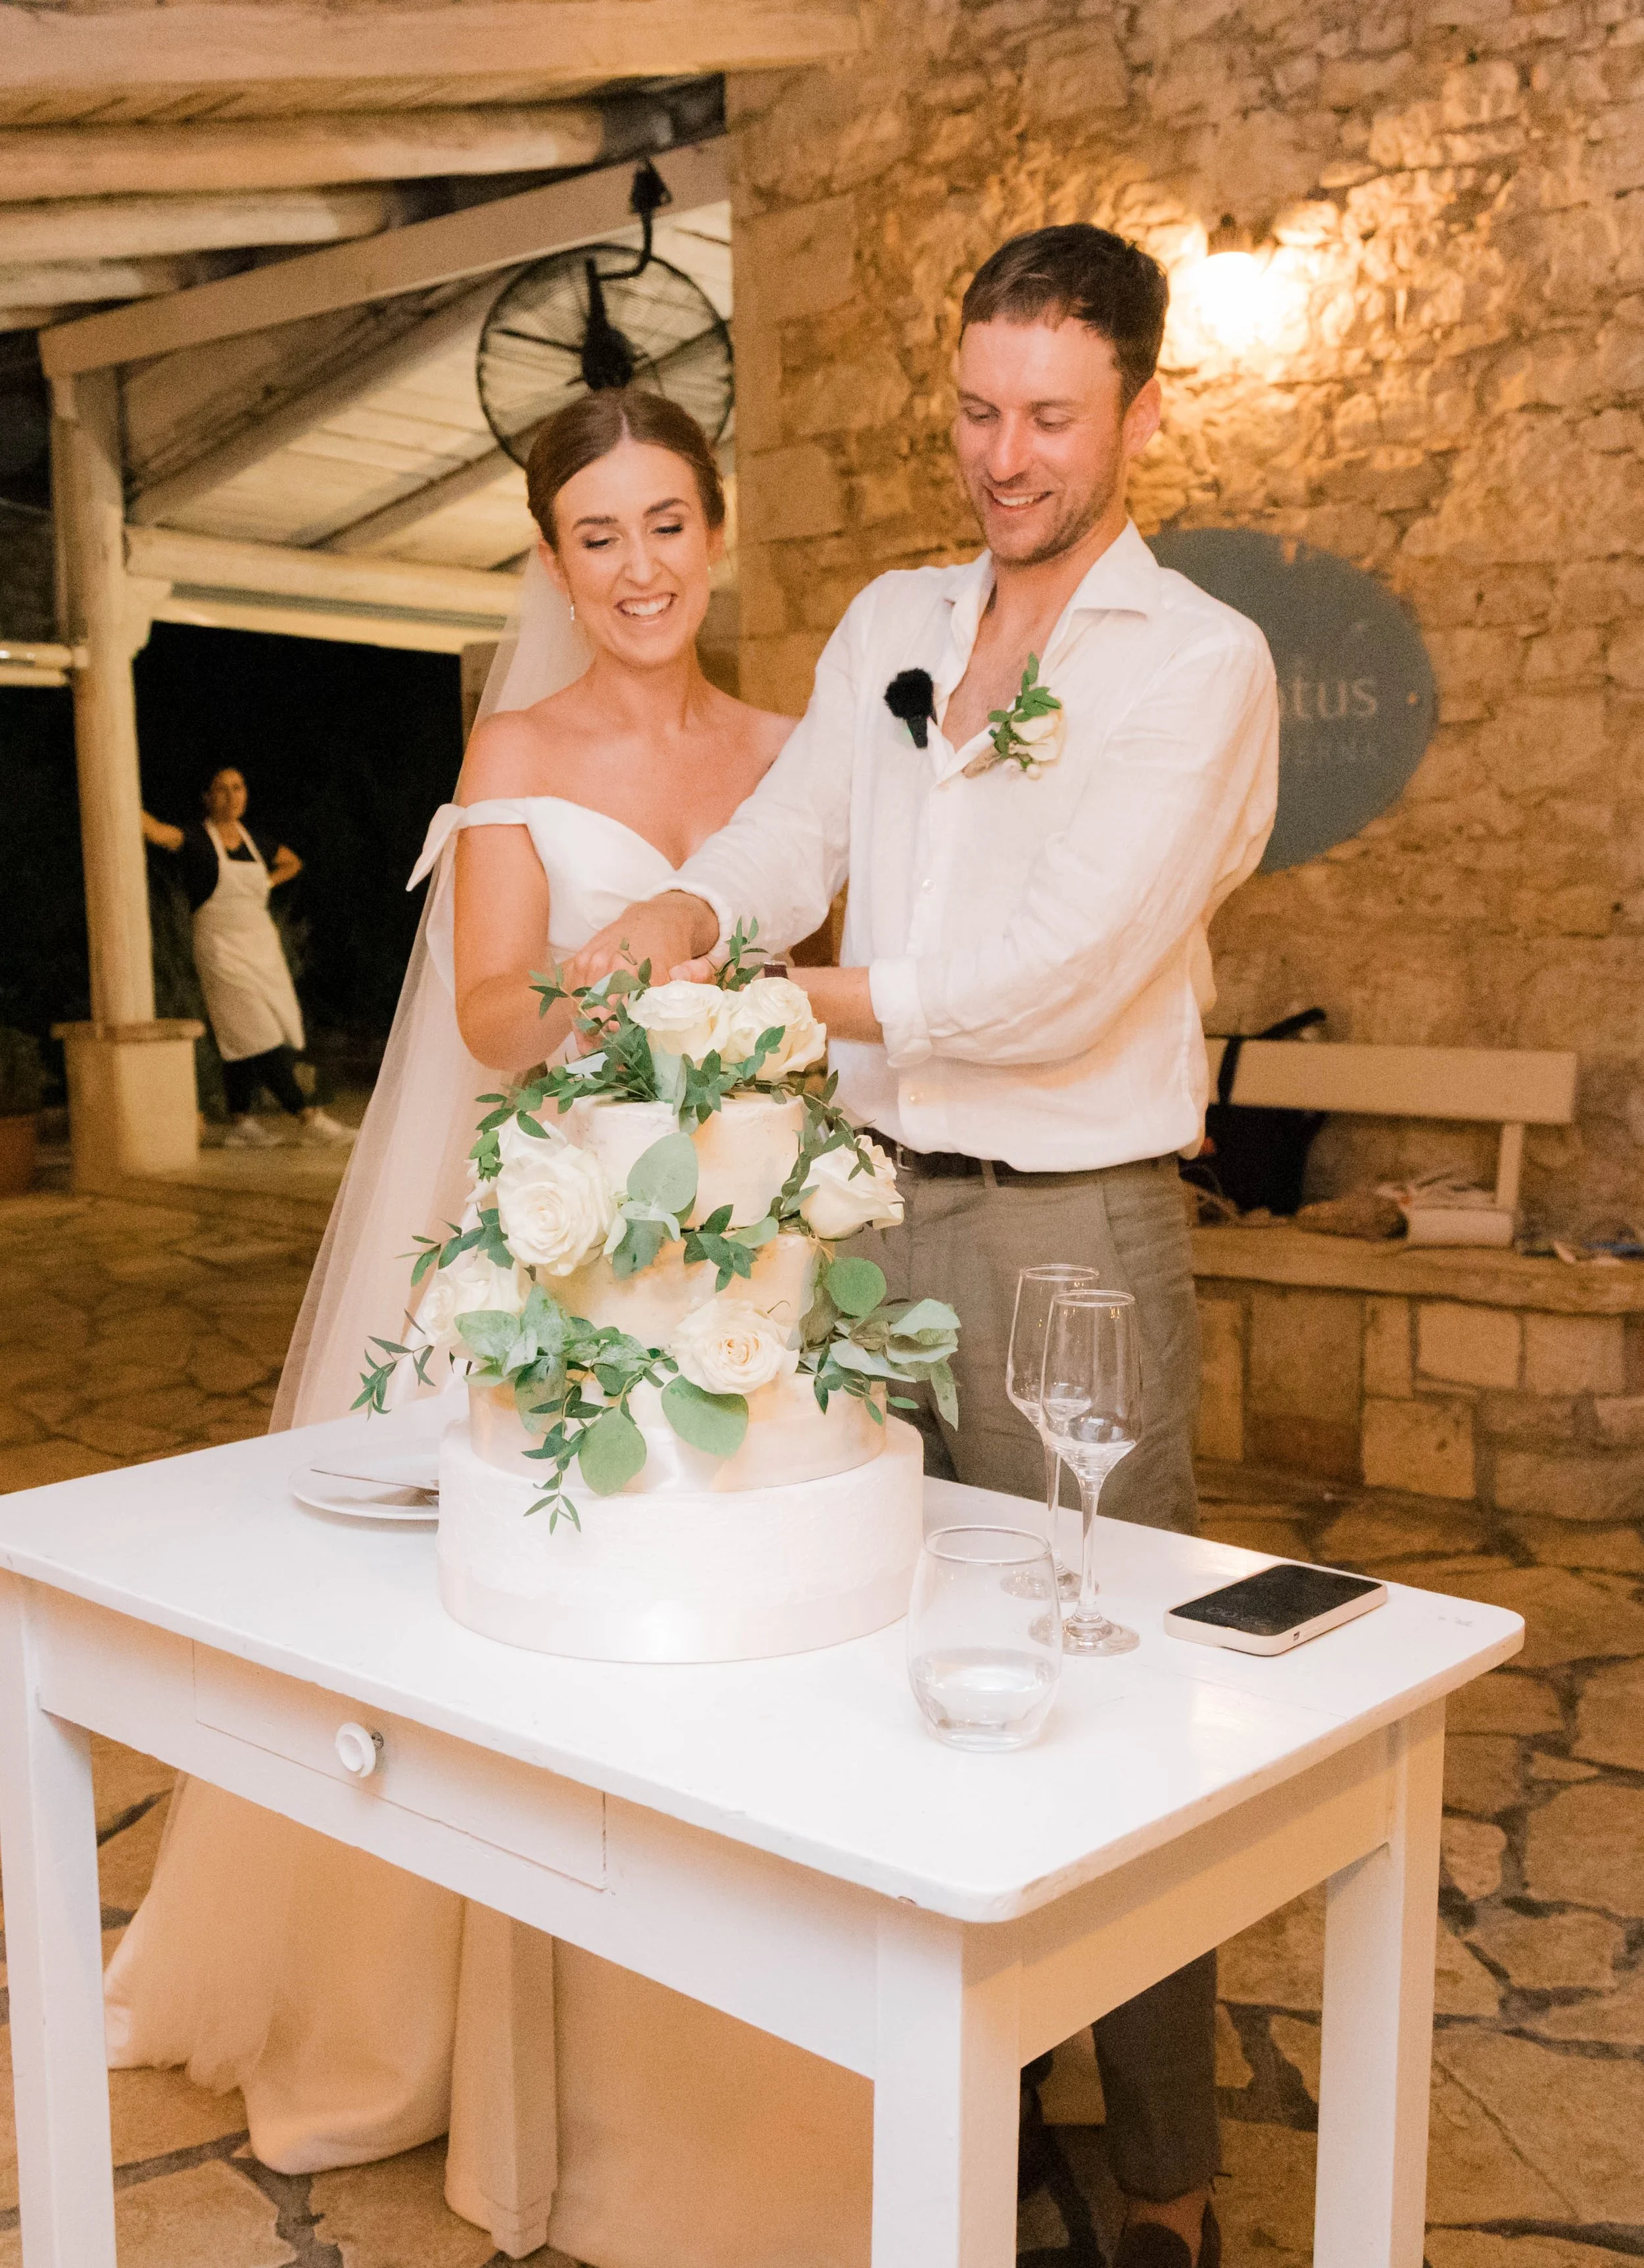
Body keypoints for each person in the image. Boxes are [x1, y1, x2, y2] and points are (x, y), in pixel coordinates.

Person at [566, 224, 1281, 2268]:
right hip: (862, 1232)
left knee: (1119, 1710)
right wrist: (688, 917)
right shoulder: (891, 610)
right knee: (884, 1677)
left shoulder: (1194, 661)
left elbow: (1040, 980)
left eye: (1049, 416)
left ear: (1140, 413)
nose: (1002, 453)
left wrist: (770, 1006)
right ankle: (961, 2131)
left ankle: (1163, 2189)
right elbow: (796, 827)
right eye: (974, 410)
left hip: (1073, 1243)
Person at [105, 389, 878, 2268]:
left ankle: (723, 2042)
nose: (639, 570)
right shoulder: (519, 749)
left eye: (668, 525)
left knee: (748, 1650)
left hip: (755, 1269)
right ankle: (451, 2036)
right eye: (597, 538)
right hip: (569, 1260)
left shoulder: (798, 759)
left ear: (719, 530)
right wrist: (629, 973)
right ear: (552, 560)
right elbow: (486, 1023)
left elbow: (814, 1013)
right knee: (531, 1658)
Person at [143, 771, 353, 1147]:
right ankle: (309, 1118)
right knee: (259, 1034)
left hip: (261, 950)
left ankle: (241, 1124)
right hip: (221, 952)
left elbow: (292, 862)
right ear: (207, 797)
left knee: (241, 1037)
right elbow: (158, 833)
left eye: (237, 788)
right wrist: (121, 795)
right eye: (221, 789)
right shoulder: (196, 841)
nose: (231, 796)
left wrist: (267, 883)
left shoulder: (256, 841)